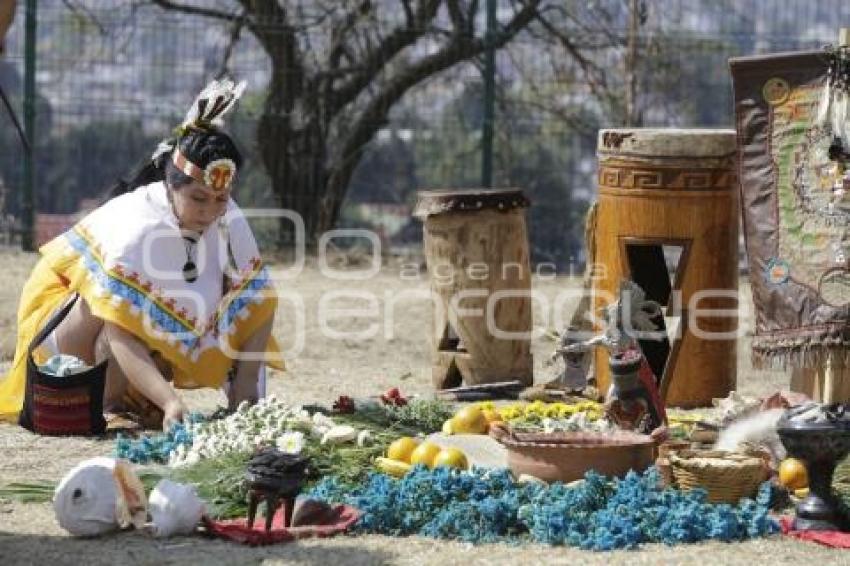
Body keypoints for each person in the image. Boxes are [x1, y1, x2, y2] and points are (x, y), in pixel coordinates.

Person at [0, 79, 284, 430]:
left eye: (220, 200)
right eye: (198, 199)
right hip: (69, 342)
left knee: (243, 297)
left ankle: (133, 394)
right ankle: (109, 403)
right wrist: (170, 402)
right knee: (114, 309)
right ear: (171, 186)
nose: (210, 212)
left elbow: (259, 303)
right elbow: (119, 333)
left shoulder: (228, 218)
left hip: (127, 347)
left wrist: (245, 391)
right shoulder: (139, 227)